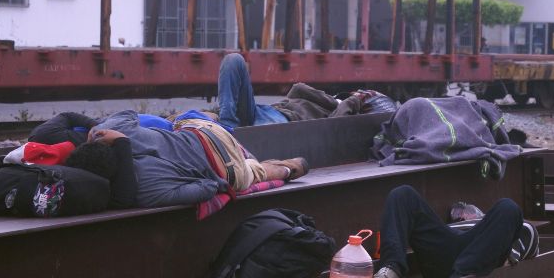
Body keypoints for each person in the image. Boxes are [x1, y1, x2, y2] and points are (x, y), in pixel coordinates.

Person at [62, 109, 308, 209]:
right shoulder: (110, 130)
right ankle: (239, 149)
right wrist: (99, 131)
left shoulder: (143, 193)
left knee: (251, 174)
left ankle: (287, 170)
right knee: (176, 120)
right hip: (207, 131)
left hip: (227, 168)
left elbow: (208, 188)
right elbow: (128, 113)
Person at [372, 185, 524, 278]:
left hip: (478, 260)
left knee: (509, 206)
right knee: (403, 193)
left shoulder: (501, 221)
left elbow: (528, 235)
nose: (465, 215)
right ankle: (392, 269)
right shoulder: (458, 226)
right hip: (446, 251)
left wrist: (507, 247)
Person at [216, 53, 396, 128]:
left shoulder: (343, 111)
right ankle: (227, 126)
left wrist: (354, 100)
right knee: (233, 60)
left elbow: (331, 128)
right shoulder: (332, 101)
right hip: (262, 111)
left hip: (281, 122)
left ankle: (227, 133)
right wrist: (333, 99)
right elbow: (297, 88)